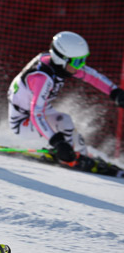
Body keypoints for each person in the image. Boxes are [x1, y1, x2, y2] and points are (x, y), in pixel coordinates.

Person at [8, 31, 124, 173]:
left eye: (83, 60)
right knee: (64, 122)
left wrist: (114, 92)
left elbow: (90, 75)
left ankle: (82, 157)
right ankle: (72, 159)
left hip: (41, 111)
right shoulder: (42, 78)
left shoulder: (59, 65)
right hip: (23, 122)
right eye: (77, 61)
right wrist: (57, 142)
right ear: (61, 59)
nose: (81, 65)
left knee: (73, 134)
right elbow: (36, 114)